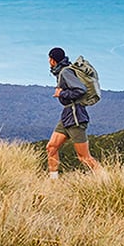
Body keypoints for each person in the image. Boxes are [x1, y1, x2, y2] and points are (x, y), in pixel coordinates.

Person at [46, 47, 103, 177]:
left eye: (49, 59)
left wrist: (62, 93)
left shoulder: (65, 72)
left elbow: (80, 89)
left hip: (75, 115)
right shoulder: (63, 71)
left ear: (53, 60)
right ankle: (53, 182)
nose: (49, 61)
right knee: (51, 147)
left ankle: (106, 179)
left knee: (84, 157)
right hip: (67, 115)